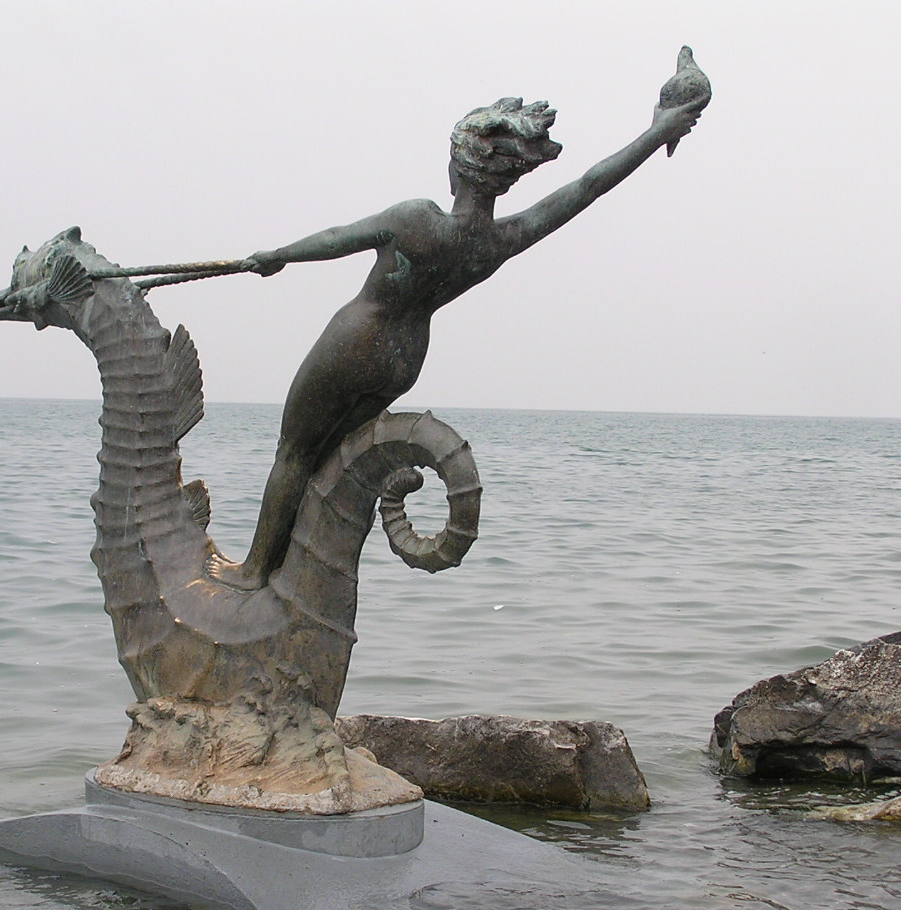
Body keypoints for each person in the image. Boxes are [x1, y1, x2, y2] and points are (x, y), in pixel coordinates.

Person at [208, 88, 706, 591]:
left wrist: (277, 256)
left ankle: (254, 570)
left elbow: (338, 238)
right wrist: (658, 132)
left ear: (458, 168)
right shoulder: (499, 240)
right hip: (403, 361)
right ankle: (289, 571)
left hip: (355, 341)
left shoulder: (416, 218)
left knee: (294, 454)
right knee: (328, 460)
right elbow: (588, 186)